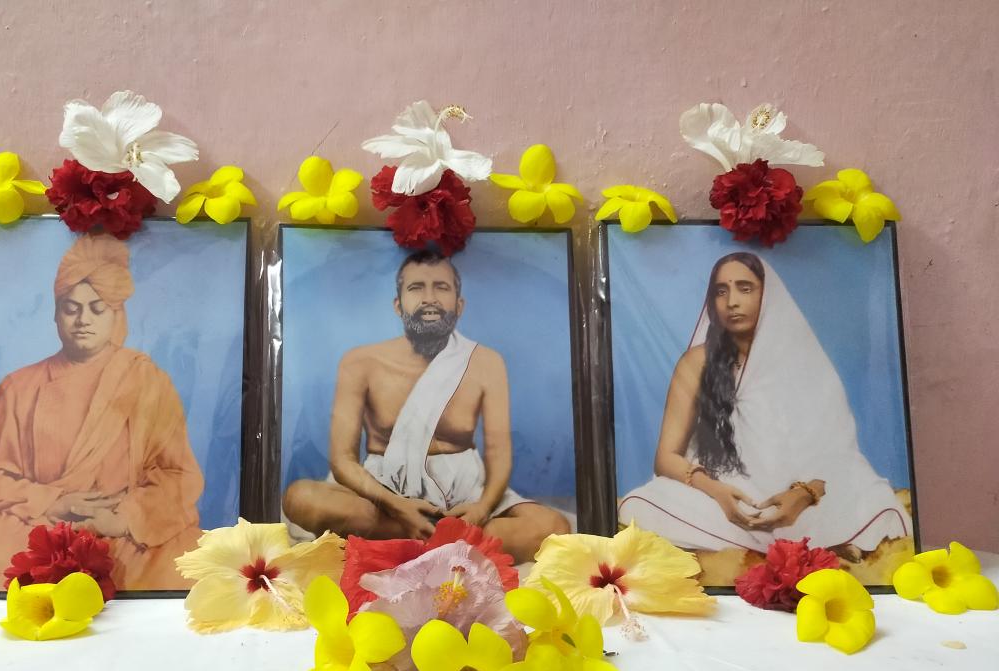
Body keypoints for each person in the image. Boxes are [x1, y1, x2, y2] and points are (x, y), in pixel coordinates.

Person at [0, 234, 204, 591]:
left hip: (122, 529)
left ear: (116, 314)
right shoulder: (18, 387)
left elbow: (180, 476)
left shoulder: (147, 381)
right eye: (71, 308)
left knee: (184, 559)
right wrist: (53, 501)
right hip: (40, 526)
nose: (82, 320)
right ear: (56, 314)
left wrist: (123, 519)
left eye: (96, 308)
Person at [282, 248, 569, 563]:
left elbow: (499, 453)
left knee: (554, 528)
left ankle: (406, 542)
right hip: (383, 492)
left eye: (441, 287)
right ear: (398, 304)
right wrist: (395, 505)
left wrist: (482, 508)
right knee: (301, 498)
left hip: (465, 494)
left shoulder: (486, 362)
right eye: (416, 287)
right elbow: (342, 459)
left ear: (459, 305)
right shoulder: (360, 362)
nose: (429, 298)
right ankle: (446, 542)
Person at [618, 251, 911, 558]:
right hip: (721, 500)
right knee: (640, 505)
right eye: (721, 291)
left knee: (879, 504)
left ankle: (801, 538)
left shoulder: (803, 361)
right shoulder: (696, 362)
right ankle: (812, 542)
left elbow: (838, 455)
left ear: (768, 296)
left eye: (745, 289)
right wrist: (718, 492)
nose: (732, 302)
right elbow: (666, 457)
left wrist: (802, 495)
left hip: (796, 500)